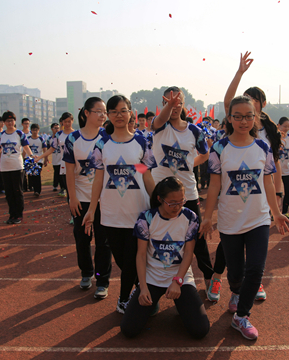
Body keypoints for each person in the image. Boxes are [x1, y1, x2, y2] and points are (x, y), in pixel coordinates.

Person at [200, 96, 289, 340]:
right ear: (229, 118)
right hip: (230, 221)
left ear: (256, 118)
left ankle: (241, 316)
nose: (243, 120)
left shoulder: (263, 147)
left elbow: (268, 182)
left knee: (256, 268)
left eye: (248, 115)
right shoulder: (219, 148)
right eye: (237, 116)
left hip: (258, 219)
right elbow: (215, 185)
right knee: (236, 272)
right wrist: (207, 217)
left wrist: (277, 213)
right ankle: (237, 292)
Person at [216, 51, 283, 304]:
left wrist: (278, 191)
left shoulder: (270, 130)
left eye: (256, 100)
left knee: (255, 252)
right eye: (248, 99)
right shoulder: (235, 122)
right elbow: (228, 101)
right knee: (232, 247)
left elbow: (273, 163)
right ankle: (228, 280)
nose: (251, 104)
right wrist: (240, 73)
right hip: (233, 195)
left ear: (261, 105)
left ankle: (253, 282)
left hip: (258, 195)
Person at [83, 95, 156, 314]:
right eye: (113, 112)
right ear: (109, 116)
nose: (119, 115)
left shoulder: (142, 141)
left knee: (133, 259)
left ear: (131, 113)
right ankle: (139, 289)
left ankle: (125, 299)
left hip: (138, 213)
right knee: (122, 261)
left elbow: (145, 172)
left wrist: (158, 201)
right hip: (111, 214)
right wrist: (91, 209)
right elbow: (98, 178)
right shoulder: (102, 143)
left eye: (123, 111)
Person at [121, 177, 210, 339]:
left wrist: (177, 281)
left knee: (200, 330)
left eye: (181, 201)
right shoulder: (146, 218)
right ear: (160, 199)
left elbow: (189, 253)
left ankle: (182, 305)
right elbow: (141, 255)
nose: (177, 207)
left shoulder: (190, 217)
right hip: (151, 279)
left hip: (179, 279)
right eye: (172, 203)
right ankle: (151, 299)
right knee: (129, 329)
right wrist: (143, 286)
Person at [151, 86, 215, 290]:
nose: (174, 106)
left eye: (178, 102)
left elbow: (204, 154)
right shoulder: (159, 126)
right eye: (169, 102)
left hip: (187, 193)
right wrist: (167, 109)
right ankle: (150, 283)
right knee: (154, 235)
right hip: (159, 193)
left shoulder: (194, 131)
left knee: (197, 237)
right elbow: (159, 121)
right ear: (163, 105)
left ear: (183, 104)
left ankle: (209, 277)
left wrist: (188, 165)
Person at [63, 97, 112, 300]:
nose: (103, 115)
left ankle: (102, 280)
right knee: (82, 238)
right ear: (86, 113)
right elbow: (69, 171)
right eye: (98, 111)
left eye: (104, 112)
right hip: (81, 199)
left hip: (105, 200)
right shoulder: (73, 139)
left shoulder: (109, 137)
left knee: (104, 242)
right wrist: (72, 199)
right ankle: (86, 273)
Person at [0, 111, 34, 224]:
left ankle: (19, 215)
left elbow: (26, 147)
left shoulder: (19, 134)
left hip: (17, 166)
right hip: (5, 168)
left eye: (11, 121)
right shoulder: (2, 135)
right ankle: (12, 214)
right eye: (7, 121)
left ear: (15, 121)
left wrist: (31, 156)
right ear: (4, 122)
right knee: (9, 193)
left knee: (18, 192)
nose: (9, 123)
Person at [41, 114, 74, 197]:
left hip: (76, 165)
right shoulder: (59, 134)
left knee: (77, 190)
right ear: (62, 122)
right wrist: (39, 157)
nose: (67, 123)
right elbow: (52, 148)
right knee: (68, 190)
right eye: (65, 121)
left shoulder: (77, 133)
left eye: (69, 121)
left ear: (72, 121)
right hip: (64, 164)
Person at [277, 117, 289, 221]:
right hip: (276, 171)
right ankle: (273, 212)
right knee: (276, 193)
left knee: (288, 192)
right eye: (284, 126)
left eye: (288, 126)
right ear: (278, 125)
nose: (287, 128)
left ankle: (285, 212)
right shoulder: (274, 137)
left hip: (287, 169)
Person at [27, 123, 46, 197]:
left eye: (36, 130)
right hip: (30, 160)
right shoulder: (28, 139)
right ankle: (33, 188)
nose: (35, 131)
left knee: (37, 175)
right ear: (31, 130)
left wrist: (45, 159)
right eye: (33, 130)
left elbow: (45, 150)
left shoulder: (41, 139)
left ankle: (37, 190)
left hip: (39, 160)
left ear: (38, 130)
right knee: (31, 175)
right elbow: (24, 150)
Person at [47, 122, 60, 191]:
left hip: (62, 159)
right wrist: (46, 158)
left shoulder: (61, 137)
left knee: (62, 174)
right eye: (55, 128)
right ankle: (55, 186)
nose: (57, 129)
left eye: (58, 128)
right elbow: (48, 150)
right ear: (52, 129)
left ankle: (63, 188)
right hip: (55, 159)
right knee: (56, 172)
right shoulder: (49, 139)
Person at [21, 118, 31, 192]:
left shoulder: (31, 134)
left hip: (29, 156)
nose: (26, 125)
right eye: (25, 123)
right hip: (21, 156)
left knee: (30, 172)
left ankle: (30, 186)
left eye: (27, 123)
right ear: (22, 124)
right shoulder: (20, 133)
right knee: (23, 173)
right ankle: (24, 187)